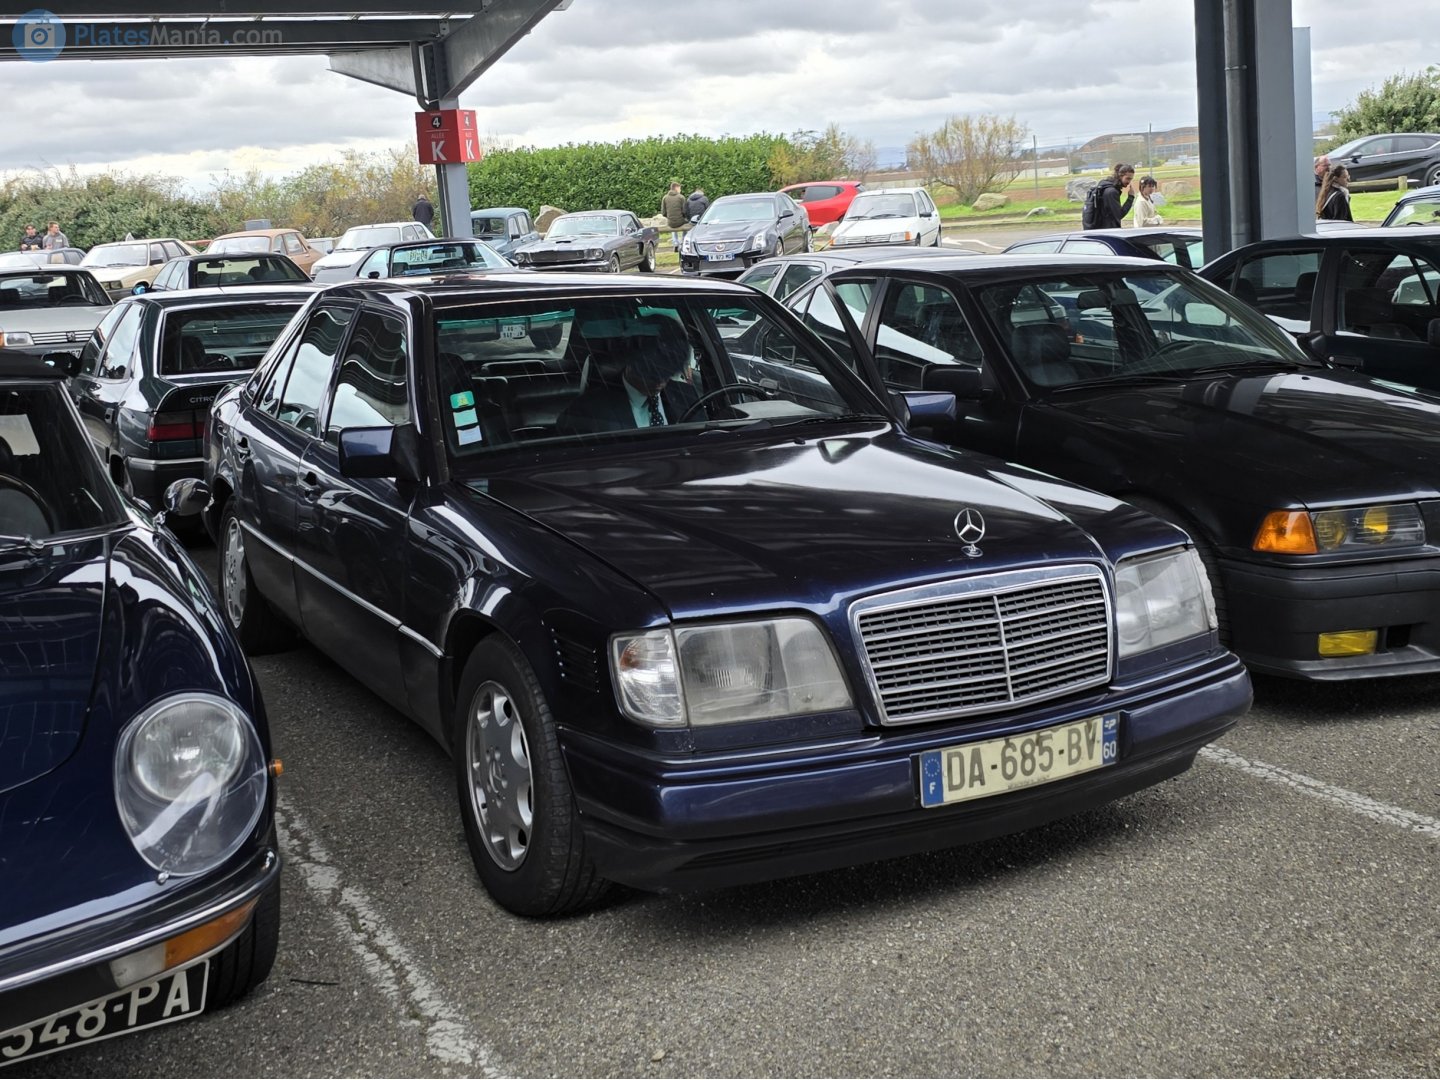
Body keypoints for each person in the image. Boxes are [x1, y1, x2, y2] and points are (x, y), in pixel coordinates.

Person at [558, 317, 700, 433]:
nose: (660, 382)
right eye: (651, 375)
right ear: (629, 361)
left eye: (667, 374)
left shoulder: (688, 397)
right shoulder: (586, 412)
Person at [1085, 164, 1136, 230]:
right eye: (1128, 178)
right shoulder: (1111, 192)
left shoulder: (1106, 188)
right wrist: (1130, 198)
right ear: (1120, 176)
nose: (1129, 182)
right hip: (1107, 231)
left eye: (1131, 179)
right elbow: (1119, 215)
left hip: (1101, 229)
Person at [660, 181, 688, 251]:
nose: (680, 190)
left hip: (670, 222)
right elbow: (684, 211)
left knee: (672, 224)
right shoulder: (681, 197)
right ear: (677, 188)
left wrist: (669, 217)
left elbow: (663, 212)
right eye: (680, 188)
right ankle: (683, 242)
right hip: (680, 221)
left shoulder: (665, 198)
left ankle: (675, 243)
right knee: (687, 225)